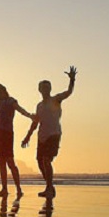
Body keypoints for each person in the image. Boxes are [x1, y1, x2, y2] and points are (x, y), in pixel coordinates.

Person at [22, 66, 77, 198]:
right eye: (43, 87)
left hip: (54, 134)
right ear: (39, 89)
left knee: (47, 160)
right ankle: (50, 187)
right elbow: (35, 122)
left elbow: (68, 92)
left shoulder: (56, 99)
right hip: (42, 136)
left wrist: (72, 80)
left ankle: (49, 188)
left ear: (50, 89)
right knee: (40, 162)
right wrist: (27, 137)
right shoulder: (39, 105)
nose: (45, 90)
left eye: (47, 87)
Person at [0, 80, 34, 198]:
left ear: (4, 91)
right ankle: (4, 188)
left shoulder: (10, 101)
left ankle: (18, 188)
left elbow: (19, 109)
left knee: (10, 161)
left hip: (6, 133)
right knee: (1, 162)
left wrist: (29, 115)